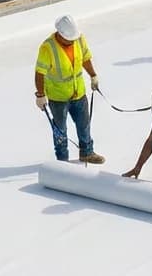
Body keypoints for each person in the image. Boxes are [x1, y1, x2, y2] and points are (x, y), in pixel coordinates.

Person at [34, 15, 104, 164]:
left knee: (84, 124)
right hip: (58, 97)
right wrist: (40, 95)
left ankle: (87, 153)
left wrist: (93, 75)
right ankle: (62, 160)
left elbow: (85, 58)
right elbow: (40, 73)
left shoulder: (78, 39)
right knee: (60, 130)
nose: (72, 41)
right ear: (60, 34)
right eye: (68, 39)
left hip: (78, 92)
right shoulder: (48, 47)